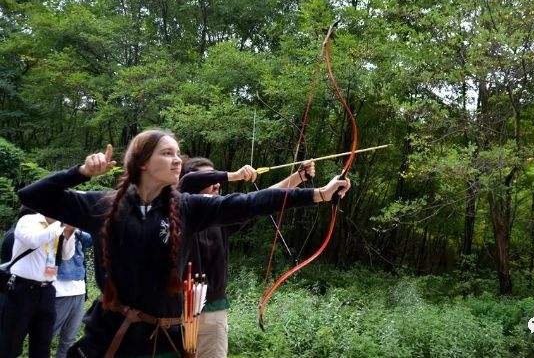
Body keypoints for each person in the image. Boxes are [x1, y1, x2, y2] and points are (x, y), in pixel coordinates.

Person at [16, 129, 350, 357]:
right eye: (167, 153)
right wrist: (80, 173)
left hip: (167, 339)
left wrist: (318, 194)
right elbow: (32, 195)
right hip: (110, 337)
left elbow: (251, 203)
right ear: (143, 162)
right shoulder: (103, 205)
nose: (177, 160)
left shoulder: (187, 208)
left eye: (178, 154)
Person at [178, 157, 314, 357]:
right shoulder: (176, 212)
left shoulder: (222, 216)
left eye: (216, 177)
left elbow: (260, 200)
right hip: (176, 312)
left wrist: (298, 177)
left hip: (213, 311)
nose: (217, 183)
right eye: (209, 178)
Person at [0, 209, 76, 358]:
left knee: (42, 344)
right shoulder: (28, 221)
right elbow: (33, 240)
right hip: (22, 290)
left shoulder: (59, 228)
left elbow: (67, 255)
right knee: (10, 344)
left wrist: (68, 234)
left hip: (47, 290)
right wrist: (58, 224)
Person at [52, 228, 92, 358]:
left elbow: (93, 238)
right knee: (45, 337)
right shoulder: (53, 228)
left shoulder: (79, 233)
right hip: (59, 291)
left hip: (79, 290)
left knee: (69, 340)